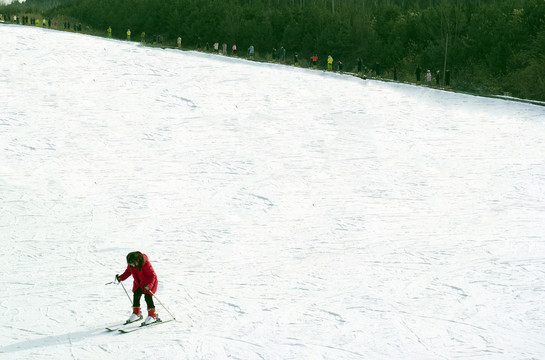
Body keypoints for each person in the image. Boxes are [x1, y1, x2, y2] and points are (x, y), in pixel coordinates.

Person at [116, 251, 159, 325]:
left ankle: (153, 314)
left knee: (147, 297)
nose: (130, 265)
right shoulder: (131, 265)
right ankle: (137, 313)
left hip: (149, 283)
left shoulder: (146, 264)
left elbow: (152, 276)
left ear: (137, 261)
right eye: (129, 263)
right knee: (136, 294)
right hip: (139, 283)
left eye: (131, 263)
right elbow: (128, 272)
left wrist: (149, 285)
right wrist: (121, 277)